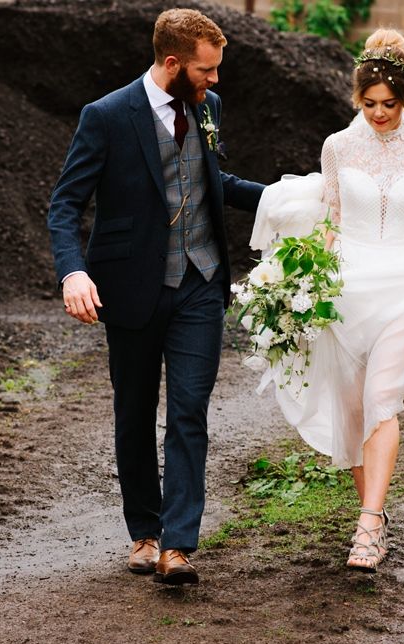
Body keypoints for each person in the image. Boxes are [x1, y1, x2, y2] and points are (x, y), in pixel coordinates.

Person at [250, 28, 404, 572]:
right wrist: (300, 280)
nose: (379, 114)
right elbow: (334, 219)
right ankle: (376, 515)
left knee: (383, 396)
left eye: (389, 104)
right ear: (356, 98)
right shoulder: (338, 146)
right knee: (355, 405)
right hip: (350, 286)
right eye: (369, 104)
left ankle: (367, 524)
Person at [47, 8, 264, 584]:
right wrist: (73, 273)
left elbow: (211, 182)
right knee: (135, 413)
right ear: (173, 64)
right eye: (206, 70)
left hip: (201, 284)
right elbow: (65, 204)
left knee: (189, 410)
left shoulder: (209, 109)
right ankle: (144, 532)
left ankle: (178, 546)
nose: (215, 80)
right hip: (133, 287)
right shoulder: (107, 116)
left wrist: (293, 199)